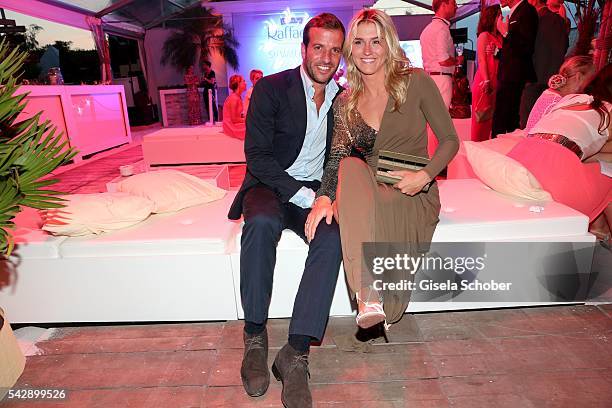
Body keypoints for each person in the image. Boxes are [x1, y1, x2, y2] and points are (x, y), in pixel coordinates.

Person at [306, 9, 459, 329]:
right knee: (349, 165)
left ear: (389, 44)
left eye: (376, 41)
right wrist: (324, 197)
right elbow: (335, 157)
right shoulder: (345, 101)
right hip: (373, 183)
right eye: (359, 42)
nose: (367, 50)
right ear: (350, 50)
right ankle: (368, 294)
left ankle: (375, 294)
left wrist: (426, 175)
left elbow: (449, 141)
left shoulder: (415, 81)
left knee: (360, 187)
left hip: (413, 187)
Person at [227, 13, 345, 408]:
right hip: (269, 185)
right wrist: (301, 195)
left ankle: (295, 353)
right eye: (318, 47)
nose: (326, 57)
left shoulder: (343, 100)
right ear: (303, 49)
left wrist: (326, 196)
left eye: (334, 49)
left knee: (332, 236)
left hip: (315, 193)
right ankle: (255, 336)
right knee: (260, 222)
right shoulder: (272, 89)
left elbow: (344, 157)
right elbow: (256, 156)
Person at [507, 64, 611, 233]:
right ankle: (602, 232)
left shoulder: (572, 99)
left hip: (518, 159)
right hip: (554, 176)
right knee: (608, 171)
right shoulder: (608, 110)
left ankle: (599, 230)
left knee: (594, 163)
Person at [518, 0, 569, 128]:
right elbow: (564, 47)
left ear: (534, 1)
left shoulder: (533, 22)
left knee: (528, 126)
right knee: (546, 126)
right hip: (553, 84)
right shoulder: (561, 22)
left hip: (533, 82)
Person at [491, 0, 539, 137]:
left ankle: (499, 153)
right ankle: (499, 151)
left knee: (506, 120)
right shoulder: (516, 12)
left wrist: (506, 33)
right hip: (509, 75)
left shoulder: (526, 11)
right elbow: (514, 48)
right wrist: (499, 52)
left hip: (514, 76)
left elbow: (526, 47)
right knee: (504, 119)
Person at [524, 55, 595, 133]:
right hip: (538, 142)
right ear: (579, 77)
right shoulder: (562, 102)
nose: (593, 84)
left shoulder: (552, 93)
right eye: (591, 79)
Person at [420, 0, 462, 108]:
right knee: (440, 120)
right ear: (444, 4)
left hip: (428, 79)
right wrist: (457, 61)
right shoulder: (442, 29)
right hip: (441, 79)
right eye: (453, 3)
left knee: (431, 119)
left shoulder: (426, 30)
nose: (456, 7)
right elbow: (443, 60)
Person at [471, 4, 503, 141]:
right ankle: (476, 145)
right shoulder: (484, 36)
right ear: (492, 17)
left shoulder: (500, 37)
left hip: (496, 81)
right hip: (485, 80)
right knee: (480, 118)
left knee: (490, 118)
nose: (501, 17)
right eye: (499, 15)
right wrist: (486, 80)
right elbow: (482, 60)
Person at [222, 74, 247, 140]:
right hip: (230, 126)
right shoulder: (234, 98)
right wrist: (247, 120)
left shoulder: (238, 97)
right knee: (254, 128)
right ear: (238, 84)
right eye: (243, 81)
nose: (245, 83)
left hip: (234, 125)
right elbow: (234, 119)